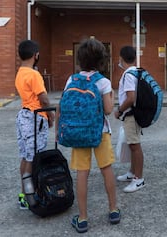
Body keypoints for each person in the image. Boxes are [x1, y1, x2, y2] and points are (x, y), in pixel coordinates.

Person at [57, 38, 120, 233]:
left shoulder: (71, 79)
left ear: (80, 60)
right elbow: (108, 110)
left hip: (77, 133)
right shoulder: (103, 81)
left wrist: (58, 129)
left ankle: (83, 218)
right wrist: (112, 96)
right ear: (102, 60)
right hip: (99, 132)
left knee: (82, 174)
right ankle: (113, 210)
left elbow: (62, 105)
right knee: (106, 169)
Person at [15, 40, 54, 210]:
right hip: (35, 117)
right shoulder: (34, 74)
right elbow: (43, 98)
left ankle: (24, 193)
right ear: (35, 55)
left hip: (24, 115)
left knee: (25, 155)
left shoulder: (20, 73)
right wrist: (51, 115)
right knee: (34, 157)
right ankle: (32, 195)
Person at [115, 46, 146, 193]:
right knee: (132, 145)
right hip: (134, 114)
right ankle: (132, 172)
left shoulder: (128, 75)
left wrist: (119, 110)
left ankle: (138, 179)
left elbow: (130, 97)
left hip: (131, 115)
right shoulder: (136, 72)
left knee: (135, 146)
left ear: (122, 58)